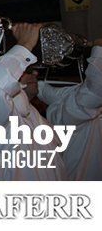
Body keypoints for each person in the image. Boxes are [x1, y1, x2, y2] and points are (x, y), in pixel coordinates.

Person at [0, 22, 68, 180]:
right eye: (26, 68)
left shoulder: (32, 114)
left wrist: (26, 95)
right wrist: (25, 43)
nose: (35, 73)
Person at [37, 38, 102, 179]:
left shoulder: (69, 97)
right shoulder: (67, 112)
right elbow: (95, 88)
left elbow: (45, 91)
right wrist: (98, 48)